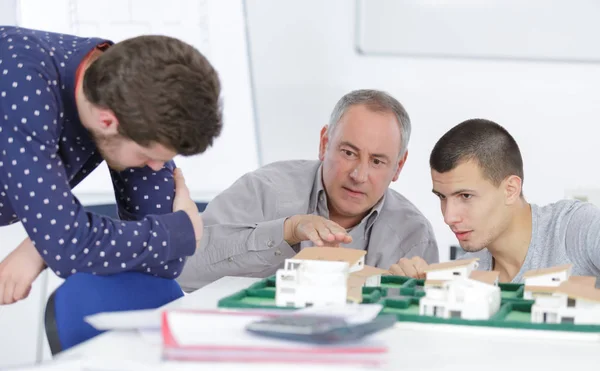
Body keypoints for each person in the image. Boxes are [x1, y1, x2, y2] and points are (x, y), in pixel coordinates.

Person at [0, 26, 223, 304]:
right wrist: (182, 229)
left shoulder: (131, 93)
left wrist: (46, 243)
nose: (157, 168)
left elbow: (163, 264)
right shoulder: (22, 81)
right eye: (148, 156)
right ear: (107, 121)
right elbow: (70, 248)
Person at [178, 89, 438, 291]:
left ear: (399, 166)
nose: (359, 175)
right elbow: (183, 269)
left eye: (377, 161)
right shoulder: (263, 191)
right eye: (349, 153)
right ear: (324, 143)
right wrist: (286, 232)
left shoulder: (414, 235)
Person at [389, 118, 600, 284]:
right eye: (442, 197)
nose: (448, 216)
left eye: (465, 196)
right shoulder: (466, 275)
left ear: (510, 190)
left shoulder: (575, 229)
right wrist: (418, 293)